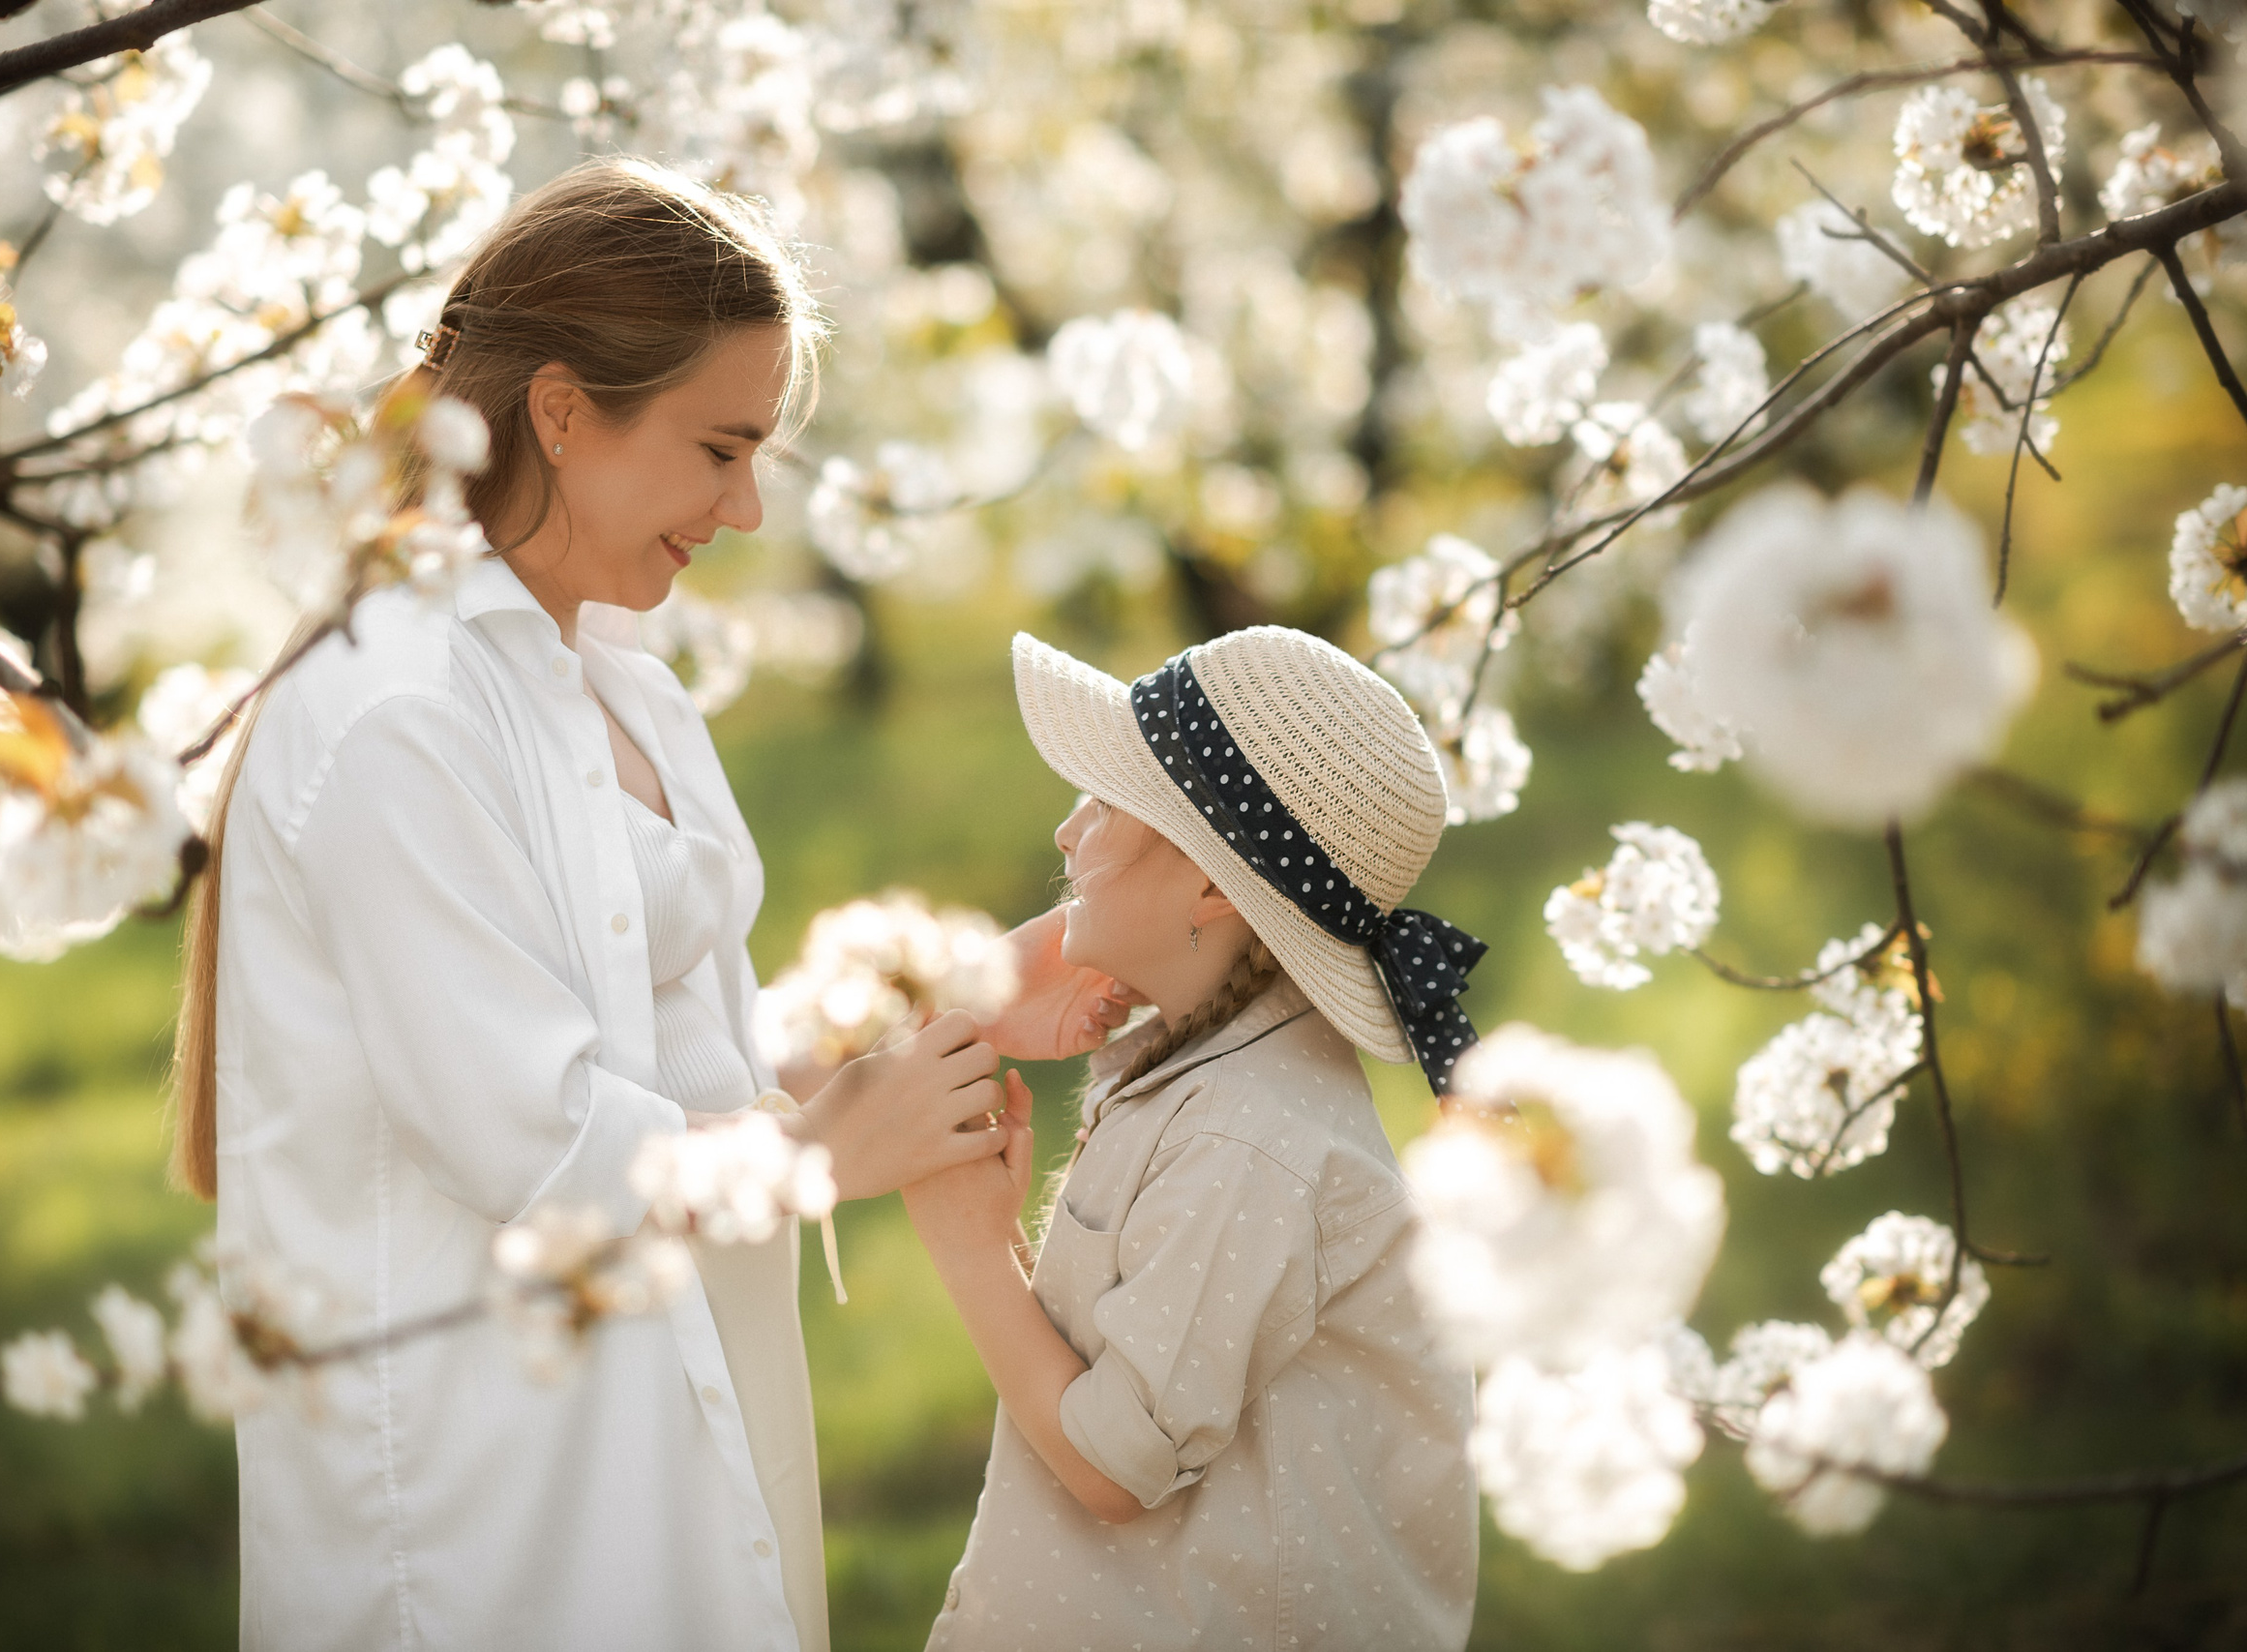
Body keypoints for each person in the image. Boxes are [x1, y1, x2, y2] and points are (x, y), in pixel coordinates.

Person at [165, 161, 1133, 1652]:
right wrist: (820, 1148)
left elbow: (676, 1038)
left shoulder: (617, 676)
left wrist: (958, 1004)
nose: (745, 507)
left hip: (685, 1410)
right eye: (720, 447)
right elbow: (534, 1132)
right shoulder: (394, 711)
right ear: (562, 410)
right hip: (499, 1495)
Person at [906, 627, 1485, 1651]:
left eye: (1104, 803)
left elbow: (1113, 1464)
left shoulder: (1251, 1141)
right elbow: (1135, 1348)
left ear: (1215, 890)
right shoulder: (1212, 1066)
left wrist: (968, 1246)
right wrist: (996, 982)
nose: (1064, 832)